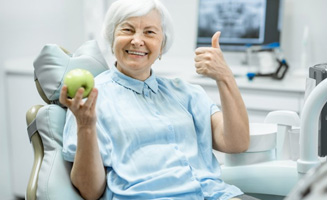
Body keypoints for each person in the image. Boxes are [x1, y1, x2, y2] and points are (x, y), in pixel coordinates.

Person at [59, 0, 255, 199]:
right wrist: (86, 126)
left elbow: (236, 143)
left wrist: (225, 77)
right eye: (127, 30)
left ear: (162, 45)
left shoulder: (186, 93)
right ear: (112, 38)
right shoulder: (91, 100)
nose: (137, 40)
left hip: (216, 194)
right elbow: (90, 192)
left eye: (150, 32)